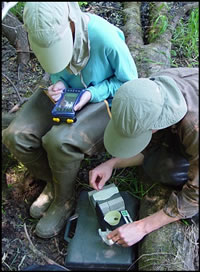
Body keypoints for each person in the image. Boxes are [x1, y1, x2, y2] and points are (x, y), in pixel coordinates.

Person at [2, 2, 138, 238]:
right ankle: (54, 182)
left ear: (71, 22)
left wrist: (90, 94)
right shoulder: (41, 33)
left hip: (102, 100)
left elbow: (129, 84)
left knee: (58, 141)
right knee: (16, 136)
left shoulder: (103, 38)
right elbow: (55, 67)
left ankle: (65, 200)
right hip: (67, 95)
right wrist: (59, 83)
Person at [89, 67, 199, 247]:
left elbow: (195, 196)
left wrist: (141, 227)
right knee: (156, 163)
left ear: (156, 126)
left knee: (168, 171)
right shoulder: (149, 90)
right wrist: (111, 164)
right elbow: (151, 144)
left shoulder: (194, 129)